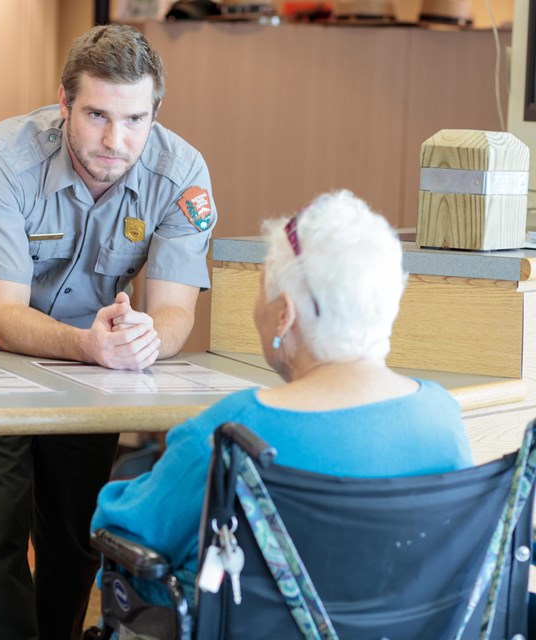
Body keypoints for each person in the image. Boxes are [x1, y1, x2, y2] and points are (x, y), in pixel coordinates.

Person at [0, 24, 216, 640]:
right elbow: (6, 320)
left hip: (96, 349)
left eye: (135, 118)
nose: (116, 140)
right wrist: (91, 345)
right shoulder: (3, 156)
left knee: (74, 526)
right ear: (63, 103)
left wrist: (144, 339)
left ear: (156, 112)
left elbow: (176, 314)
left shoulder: (182, 173)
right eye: (96, 115)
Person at [91, 189, 473, 620]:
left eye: (262, 289)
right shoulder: (442, 417)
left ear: (284, 314)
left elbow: (121, 535)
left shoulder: (233, 433)